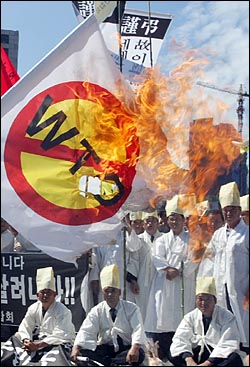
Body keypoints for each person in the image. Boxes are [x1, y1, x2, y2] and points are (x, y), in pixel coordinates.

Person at [144, 195, 198, 361]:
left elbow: (194, 257)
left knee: (183, 318)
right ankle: (163, 353)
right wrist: (167, 269)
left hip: (184, 282)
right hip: (164, 281)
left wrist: (180, 271)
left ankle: (183, 353)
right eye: (172, 219)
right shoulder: (162, 240)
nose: (174, 222)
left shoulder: (191, 239)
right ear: (168, 220)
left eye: (177, 219)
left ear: (183, 220)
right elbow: (156, 256)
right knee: (162, 315)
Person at [200, 182, 249, 355]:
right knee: (224, 325)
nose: (229, 213)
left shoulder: (247, 233)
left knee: (245, 326)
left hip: (242, 290)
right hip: (221, 290)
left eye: (233, 210)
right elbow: (208, 262)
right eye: (226, 209)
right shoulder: (218, 234)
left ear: (239, 210)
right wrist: (204, 288)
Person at [71, 264, 148, 366]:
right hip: (106, 349)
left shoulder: (131, 308)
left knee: (139, 354)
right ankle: (112, 364)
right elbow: (87, 330)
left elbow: (137, 329)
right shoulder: (97, 310)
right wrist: (76, 348)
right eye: (107, 291)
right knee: (83, 353)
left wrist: (134, 348)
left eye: (113, 291)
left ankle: (109, 364)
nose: (110, 294)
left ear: (119, 292)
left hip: (125, 349)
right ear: (103, 293)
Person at [1, 266, 76, 366]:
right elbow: (25, 325)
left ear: (55, 295)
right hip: (39, 340)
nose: (45, 295)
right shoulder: (34, 307)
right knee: (15, 339)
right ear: (37, 295)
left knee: (57, 356)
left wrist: (39, 345)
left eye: (49, 292)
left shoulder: (63, 311)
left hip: (58, 342)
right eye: (43, 292)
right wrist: (26, 340)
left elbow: (61, 334)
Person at [169, 276, 243, 366]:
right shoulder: (190, 317)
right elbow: (180, 339)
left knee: (234, 358)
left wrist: (207, 363)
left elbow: (228, 342)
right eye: (200, 299)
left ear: (215, 300)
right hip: (196, 355)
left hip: (215, 358)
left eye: (208, 299)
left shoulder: (226, 317)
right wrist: (189, 360)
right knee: (173, 354)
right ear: (196, 300)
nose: (203, 303)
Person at [126, 211, 163, 323]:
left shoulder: (164, 238)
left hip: (160, 281)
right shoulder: (138, 240)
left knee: (160, 308)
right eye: (147, 221)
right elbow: (134, 261)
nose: (150, 224)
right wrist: (133, 280)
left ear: (158, 223)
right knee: (143, 309)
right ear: (143, 224)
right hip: (143, 282)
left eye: (153, 221)